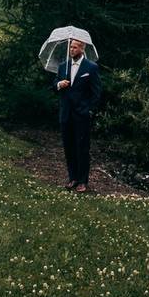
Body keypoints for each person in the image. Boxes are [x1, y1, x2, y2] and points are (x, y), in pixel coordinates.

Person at [53, 39, 102, 193]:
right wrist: (60, 84)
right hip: (66, 114)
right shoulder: (63, 66)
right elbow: (54, 85)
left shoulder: (91, 68)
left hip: (82, 115)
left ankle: (82, 181)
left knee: (82, 148)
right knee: (69, 147)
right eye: (70, 47)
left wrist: (89, 110)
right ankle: (72, 178)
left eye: (74, 47)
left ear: (82, 49)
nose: (71, 50)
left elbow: (97, 92)